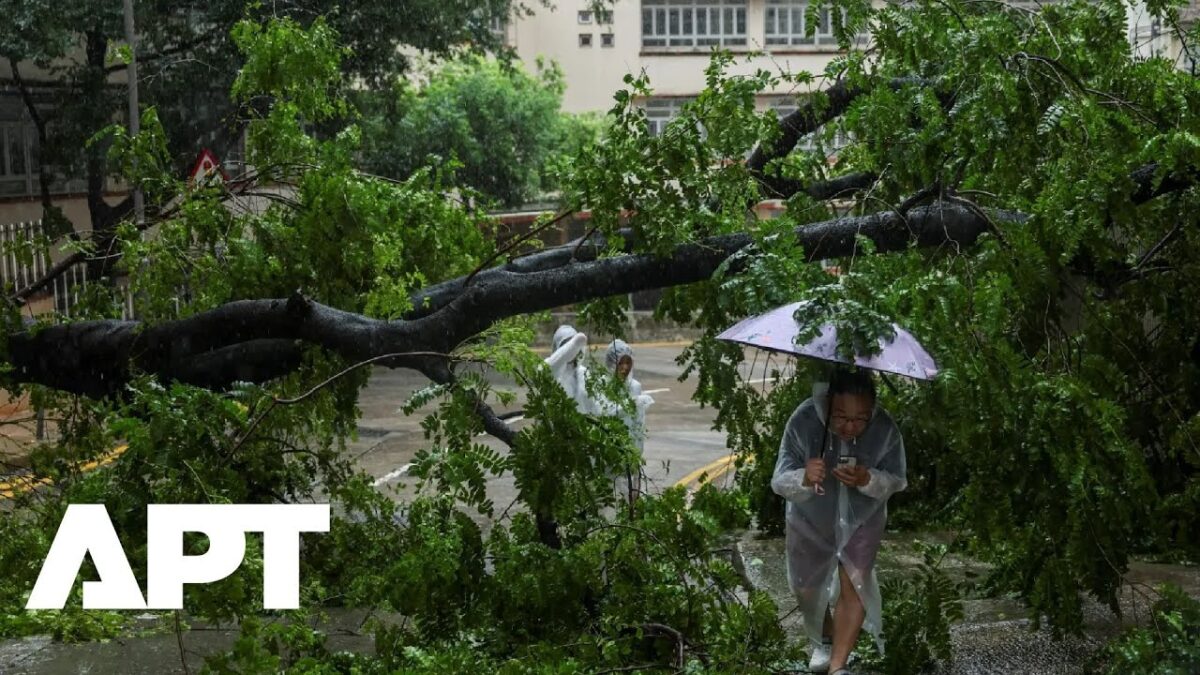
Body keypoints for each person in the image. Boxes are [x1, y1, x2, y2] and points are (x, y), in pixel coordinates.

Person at [771, 367, 907, 675]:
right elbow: (779, 479)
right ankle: (825, 636)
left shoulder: (884, 427)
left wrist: (867, 478)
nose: (850, 426)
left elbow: (897, 478)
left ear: (871, 410)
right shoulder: (805, 420)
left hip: (863, 519)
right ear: (828, 403)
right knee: (806, 588)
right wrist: (804, 477)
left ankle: (838, 665)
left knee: (855, 583)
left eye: (860, 418)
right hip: (810, 518)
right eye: (841, 416)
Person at [597, 339, 654, 503]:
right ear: (611, 363)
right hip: (610, 450)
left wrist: (637, 452)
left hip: (630, 450)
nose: (624, 368)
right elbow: (604, 414)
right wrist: (629, 405)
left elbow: (639, 423)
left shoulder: (635, 387)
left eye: (627, 363)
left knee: (631, 495)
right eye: (620, 363)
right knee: (611, 495)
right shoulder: (603, 385)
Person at [544, 325, 595, 415]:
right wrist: (574, 345)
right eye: (565, 345)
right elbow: (551, 366)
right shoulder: (551, 370)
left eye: (570, 344)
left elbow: (594, 404)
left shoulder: (583, 373)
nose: (571, 352)